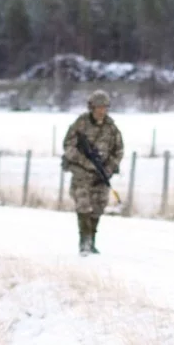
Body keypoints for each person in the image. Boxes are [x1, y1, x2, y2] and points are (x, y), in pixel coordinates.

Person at [60, 90, 122, 255]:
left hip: (102, 174)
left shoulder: (111, 127)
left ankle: (92, 241)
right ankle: (84, 242)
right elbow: (68, 146)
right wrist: (86, 163)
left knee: (99, 206)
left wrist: (108, 168)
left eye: (104, 107)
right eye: (98, 107)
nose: (101, 111)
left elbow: (119, 151)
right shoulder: (80, 124)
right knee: (83, 206)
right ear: (91, 108)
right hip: (82, 173)